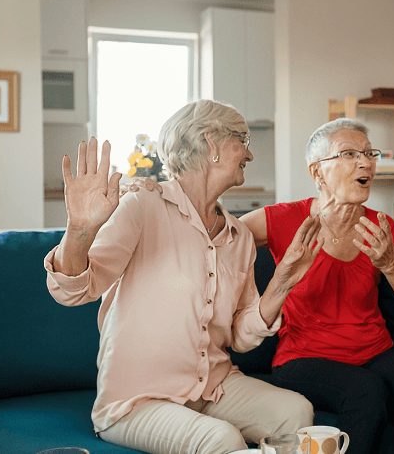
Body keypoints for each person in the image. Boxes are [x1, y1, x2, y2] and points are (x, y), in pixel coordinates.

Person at [44, 100, 321, 454]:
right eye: (243, 141)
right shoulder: (142, 206)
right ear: (212, 145)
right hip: (137, 399)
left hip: (214, 387)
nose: (249, 155)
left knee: (295, 411)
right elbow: (72, 291)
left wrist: (283, 281)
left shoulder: (240, 236)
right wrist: (80, 230)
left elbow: (240, 336)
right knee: (221, 439)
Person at [240, 117, 394, 454]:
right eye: (349, 154)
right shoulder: (283, 219)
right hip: (303, 356)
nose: (366, 163)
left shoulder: (381, 225)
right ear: (317, 172)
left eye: (368, 154)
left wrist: (389, 263)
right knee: (367, 393)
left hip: (374, 349)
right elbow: (217, 240)